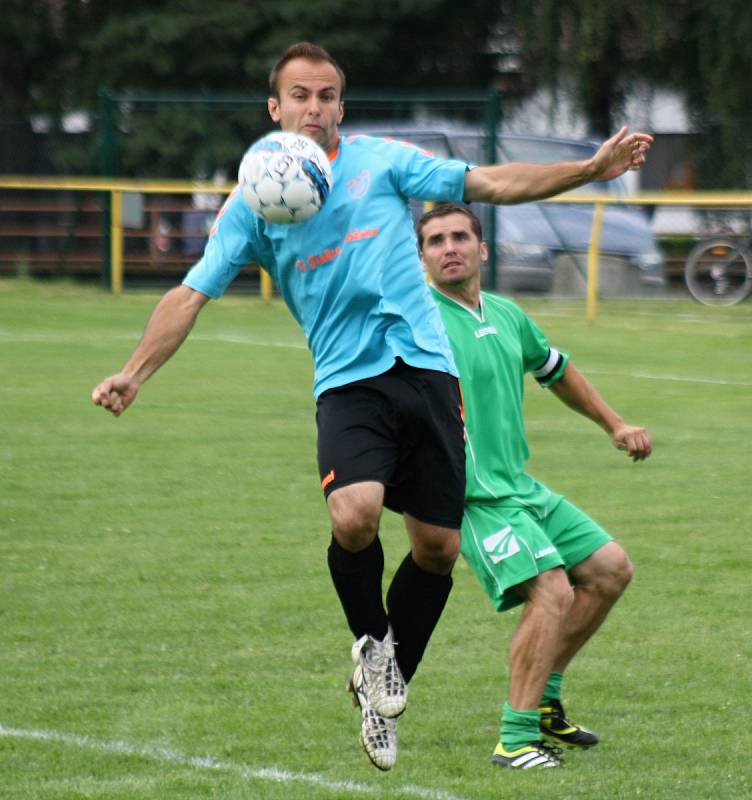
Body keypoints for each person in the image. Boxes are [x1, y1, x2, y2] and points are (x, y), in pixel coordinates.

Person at [91, 41, 653, 772]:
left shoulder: (383, 161)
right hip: (348, 383)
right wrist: (135, 372)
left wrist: (585, 170)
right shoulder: (255, 201)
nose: (314, 107)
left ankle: (381, 682)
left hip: (426, 375)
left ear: (341, 107)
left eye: (326, 96)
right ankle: (371, 643)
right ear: (275, 108)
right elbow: (189, 293)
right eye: (299, 95)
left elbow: (490, 182)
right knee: (353, 514)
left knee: (438, 550)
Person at [417, 202, 652, 769]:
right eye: (433, 241)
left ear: (482, 249)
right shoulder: (415, 318)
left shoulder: (506, 313)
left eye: (458, 237)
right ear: (421, 256)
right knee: (552, 591)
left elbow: (557, 370)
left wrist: (615, 423)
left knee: (610, 569)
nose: (448, 248)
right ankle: (515, 738)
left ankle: (544, 702)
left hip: (519, 486)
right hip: (470, 496)